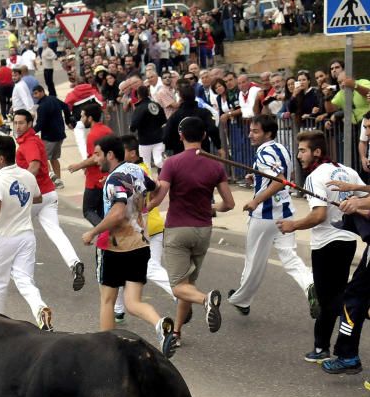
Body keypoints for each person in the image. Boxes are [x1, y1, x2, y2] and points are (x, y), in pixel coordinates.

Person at [80, 135, 177, 358]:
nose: (95, 159)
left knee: (107, 300)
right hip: (140, 245)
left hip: (113, 248)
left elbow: (117, 212)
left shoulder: (114, 180)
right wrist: (149, 206)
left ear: (110, 155)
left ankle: (106, 351)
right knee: (133, 302)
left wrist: (93, 232)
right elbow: (159, 186)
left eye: (97, 154)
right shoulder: (136, 170)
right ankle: (159, 323)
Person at [145, 117, 235, 342]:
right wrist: (211, 206)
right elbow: (229, 204)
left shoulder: (172, 163)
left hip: (178, 229)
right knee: (187, 284)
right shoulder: (215, 165)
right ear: (204, 136)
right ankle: (176, 332)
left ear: (180, 135)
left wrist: (141, 209)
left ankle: (206, 300)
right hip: (203, 229)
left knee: (177, 288)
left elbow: (159, 197)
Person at [277, 131, 361, 369]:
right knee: (332, 297)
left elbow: (319, 214)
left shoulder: (315, 176)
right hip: (347, 241)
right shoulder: (347, 171)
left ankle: (324, 346)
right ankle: (322, 345)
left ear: (316, 151)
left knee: (328, 300)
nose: (298, 155)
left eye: (302, 150)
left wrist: (293, 225)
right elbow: (364, 199)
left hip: (326, 243)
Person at [227, 115, 316, 318]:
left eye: (255, 131)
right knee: (290, 256)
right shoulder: (281, 148)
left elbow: (280, 180)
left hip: (264, 216)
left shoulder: (264, 152)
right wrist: (256, 176)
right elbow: (283, 175)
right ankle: (310, 284)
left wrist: (256, 201)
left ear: (268, 133)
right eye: (250, 130)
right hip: (285, 212)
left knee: (253, 262)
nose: (250, 134)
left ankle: (242, 300)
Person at [0, 135, 52, 330]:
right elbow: (38, 198)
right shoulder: (28, 176)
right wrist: (19, 204)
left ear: (0, 158)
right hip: (26, 237)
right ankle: (40, 309)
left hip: (3, 238)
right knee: (25, 280)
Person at [14, 109, 85, 291]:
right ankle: (74, 263)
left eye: (21, 123)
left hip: (35, 197)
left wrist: (21, 186)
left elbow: (35, 165)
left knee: (11, 231)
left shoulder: (28, 143)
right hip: (49, 195)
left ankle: (16, 275)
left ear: (30, 124)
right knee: (55, 232)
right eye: (15, 123)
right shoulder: (34, 140)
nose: (17, 126)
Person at [67, 104, 112, 226]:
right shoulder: (107, 130)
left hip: (95, 179)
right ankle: (106, 238)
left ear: (90, 118)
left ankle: (105, 233)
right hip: (106, 176)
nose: (81, 119)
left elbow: (95, 157)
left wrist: (79, 165)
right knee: (102, 212)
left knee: (88, 210)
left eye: (83, 116)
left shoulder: (94, 135)